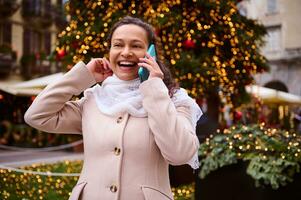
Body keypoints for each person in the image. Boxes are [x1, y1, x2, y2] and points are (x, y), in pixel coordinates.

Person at [24, 16, 202, 200]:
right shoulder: (93, 101)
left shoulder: (174, 100)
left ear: (151, 53)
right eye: (118, 45)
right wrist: (83, 76)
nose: (126, 52)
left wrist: (155, 89)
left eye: (136, 45)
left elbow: (180, 154)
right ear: (109, 50)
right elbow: (36, 115)